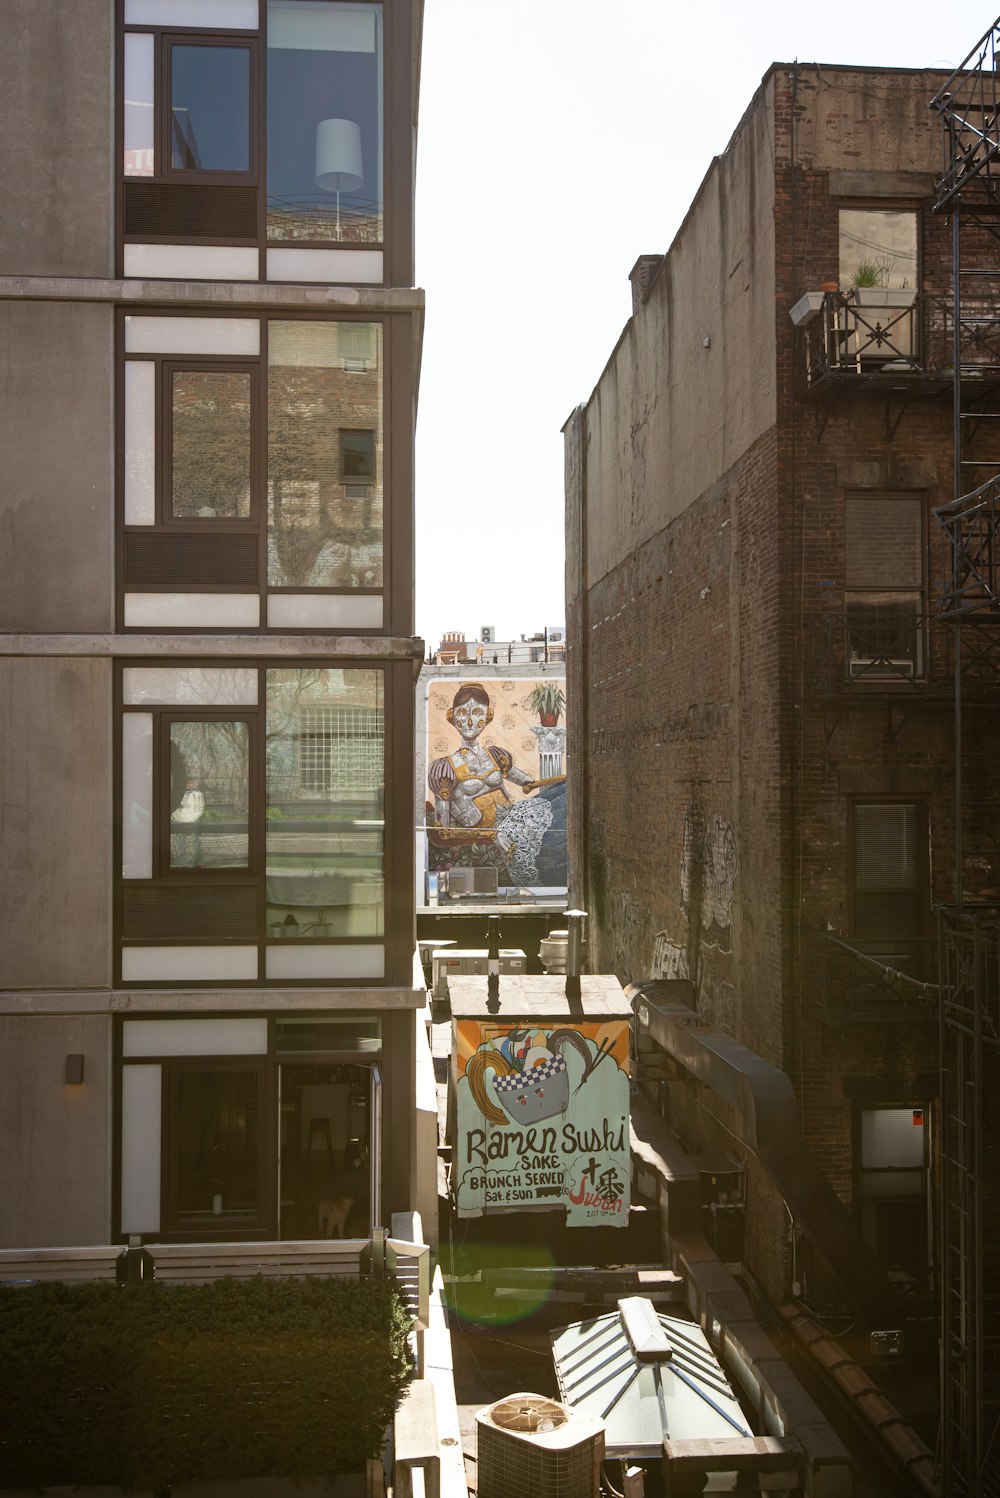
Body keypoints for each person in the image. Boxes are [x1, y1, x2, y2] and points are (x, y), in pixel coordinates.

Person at [428, 683, 552, 884]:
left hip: (516, 821)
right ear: (452, 717)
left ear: (488, 716)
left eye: (477, 713)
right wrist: (492, 835)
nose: (469, 721)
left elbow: (527, 783)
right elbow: (444, 831)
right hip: (492, 837)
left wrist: (551, 782)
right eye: (462, 713)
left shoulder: (496, 756)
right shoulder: (445, 768)